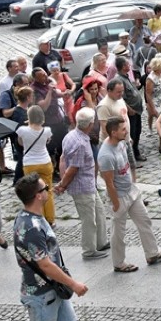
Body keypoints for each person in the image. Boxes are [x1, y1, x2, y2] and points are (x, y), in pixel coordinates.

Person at [13, 173, 88, 321]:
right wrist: (74, 284)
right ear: (38, 195)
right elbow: (45, 265)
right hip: (42, 293)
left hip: (54, 287)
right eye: (45, 188)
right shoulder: (32, 228)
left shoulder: (29, 217)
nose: (49, 190)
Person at [99, 117, 161, 273]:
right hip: (119, 196)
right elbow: (109, 182)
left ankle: (152, 253)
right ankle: (119, 263)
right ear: (113, 132)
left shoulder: (122, 142)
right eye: (123, 129)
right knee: (119, 231)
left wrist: (133, 183)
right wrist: (116, 203)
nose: (126, 131)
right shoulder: (105, 155)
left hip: (131, 191)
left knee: (144, 220)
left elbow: (128, 162)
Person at [55, 108, 109, 259]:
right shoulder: (81, 144)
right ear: (91, 124)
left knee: (99, 212)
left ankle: (101, 242)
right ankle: (89, 250)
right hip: (82, 187)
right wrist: (63, 184)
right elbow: (72, 169)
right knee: (88, 220)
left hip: (89, 184)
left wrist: (62, 180)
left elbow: (62, 158)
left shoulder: (71, 135)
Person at [18, 105, 55, 225]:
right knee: (48, 190)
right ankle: (50, 219)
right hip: (45, 162)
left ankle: (40, 218)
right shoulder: (47, 130)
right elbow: (47, 141)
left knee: (33, 193)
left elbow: (20, 143)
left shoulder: (22, 130)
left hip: (30, 164)